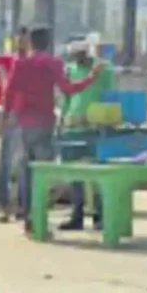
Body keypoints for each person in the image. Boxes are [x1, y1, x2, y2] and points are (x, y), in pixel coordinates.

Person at [2, 26, 104, 233]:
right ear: (48, 43)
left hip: (23, 123)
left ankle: (29, 219)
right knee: (43, 172)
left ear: (30, 42)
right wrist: (91, 77)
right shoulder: (53, 63)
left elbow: (10, 92)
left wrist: (5, 118)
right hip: (44, 122)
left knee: (26, 172)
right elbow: (68, 89)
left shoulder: (20, 64)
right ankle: (40, 219)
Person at [59, 40, 116, 231]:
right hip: (73, 126)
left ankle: (101, 216)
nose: (78, 59)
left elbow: (110, 96)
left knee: (98, 175)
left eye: (81, 55)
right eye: (75, 56)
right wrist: (62, 119)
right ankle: (77, 215)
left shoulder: (104, 70)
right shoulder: (70, 69)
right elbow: (67, 97)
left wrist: (108, 122)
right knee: (75, 175)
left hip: (95, 127)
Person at [0, 26, 29, 222]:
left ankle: (23, 205)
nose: (21, 43)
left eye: (24, 40)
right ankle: (4, 204)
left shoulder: (33, 62)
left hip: (27, 115)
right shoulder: (11, 61)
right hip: (13, 114)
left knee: (23, 163)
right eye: (19, 40)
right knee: (6, 161)